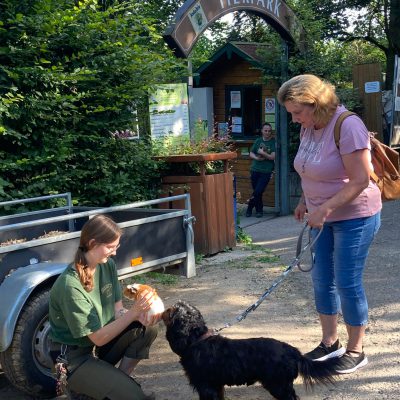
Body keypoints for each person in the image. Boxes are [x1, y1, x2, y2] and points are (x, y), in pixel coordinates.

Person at [277, 74, 382, 374]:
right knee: (322, 280)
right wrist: (303, 201)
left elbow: (361, 179)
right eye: (291, 113)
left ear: (316, 103)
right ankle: (329, 343)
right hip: (321, 215)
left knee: (347, 282)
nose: (295, 119)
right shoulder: (310, 126)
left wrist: (324, 209)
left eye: (297, 112)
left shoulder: (347, 125)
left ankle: (356, 350)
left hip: (355, 216)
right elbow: (308, 167)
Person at [49, 214, 159, 400]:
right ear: (92, 243)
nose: (114, 252)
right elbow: (99, 338)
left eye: (116, 246)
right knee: (136, 397)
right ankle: (89, 389)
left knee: (147, 328)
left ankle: (115, 383)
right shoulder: (70, 285)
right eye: (110, 247)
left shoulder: (107, 266)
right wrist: (133, 312)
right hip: (74, 359)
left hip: (94, 348)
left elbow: (118, 311)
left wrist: (139, 315)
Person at [246, 122, 276, 218]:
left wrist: (263, 153)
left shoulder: (273, 142)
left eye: (269, 131)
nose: (267, 132)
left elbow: (272, 157)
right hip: (255, 169)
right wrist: (257, 158)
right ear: (262, 131)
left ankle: (250, 207)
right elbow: (251, 153)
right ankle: (259, 210)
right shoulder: (258, 141)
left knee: (258, 191)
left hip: (266, 171)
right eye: (265, 130)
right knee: (257, 191)